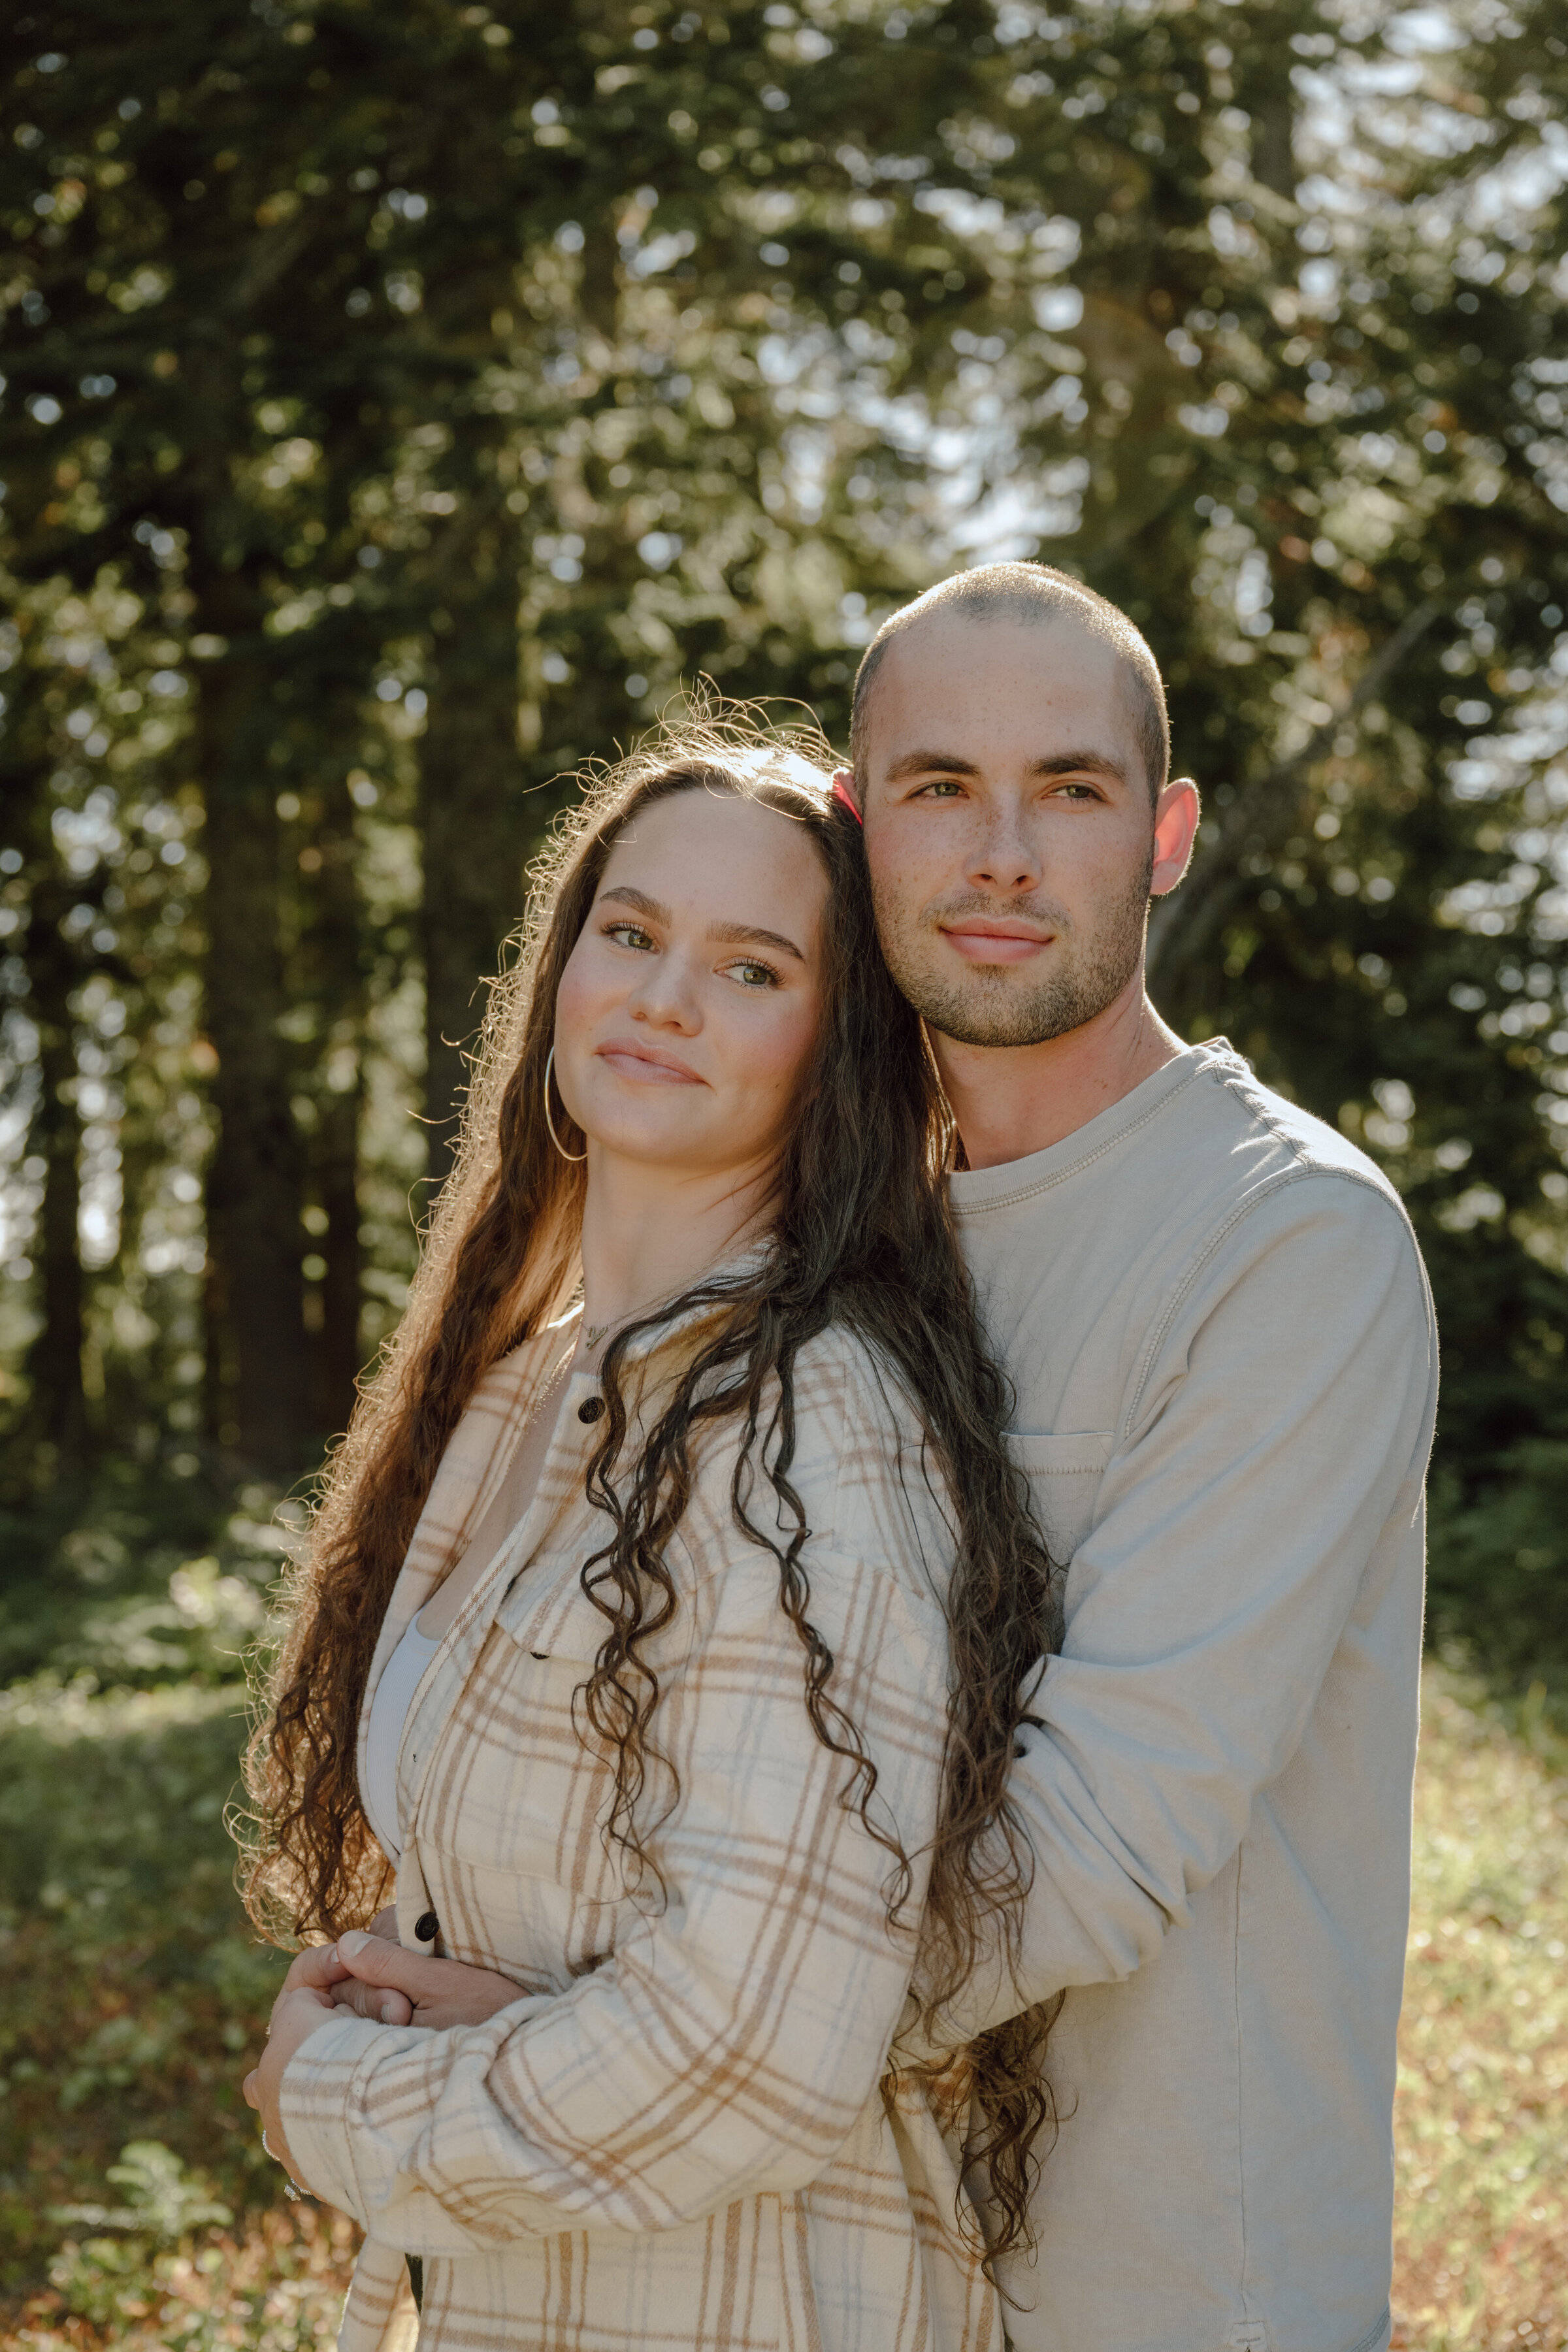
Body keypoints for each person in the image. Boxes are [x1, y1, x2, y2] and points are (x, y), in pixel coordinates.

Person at [238, 716, 1060, 2352]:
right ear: (563, 968)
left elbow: (749, 2050)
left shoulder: (808, 1419)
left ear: (839, 1047)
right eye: (631, 933)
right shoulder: (529, 1392)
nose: (664, 997)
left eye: (752, 968)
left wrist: (337, 2097)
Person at [839, 561, 1438, 2352]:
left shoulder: (1288, 1240)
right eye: (942, 788)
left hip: (1175, 2290)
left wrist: (608, 2043)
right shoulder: (838, 1239)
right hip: (840, 2265)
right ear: (861, 828)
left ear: (1164, 835)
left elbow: (1090, 1843)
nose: (1003, 854)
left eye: (1072, 791)